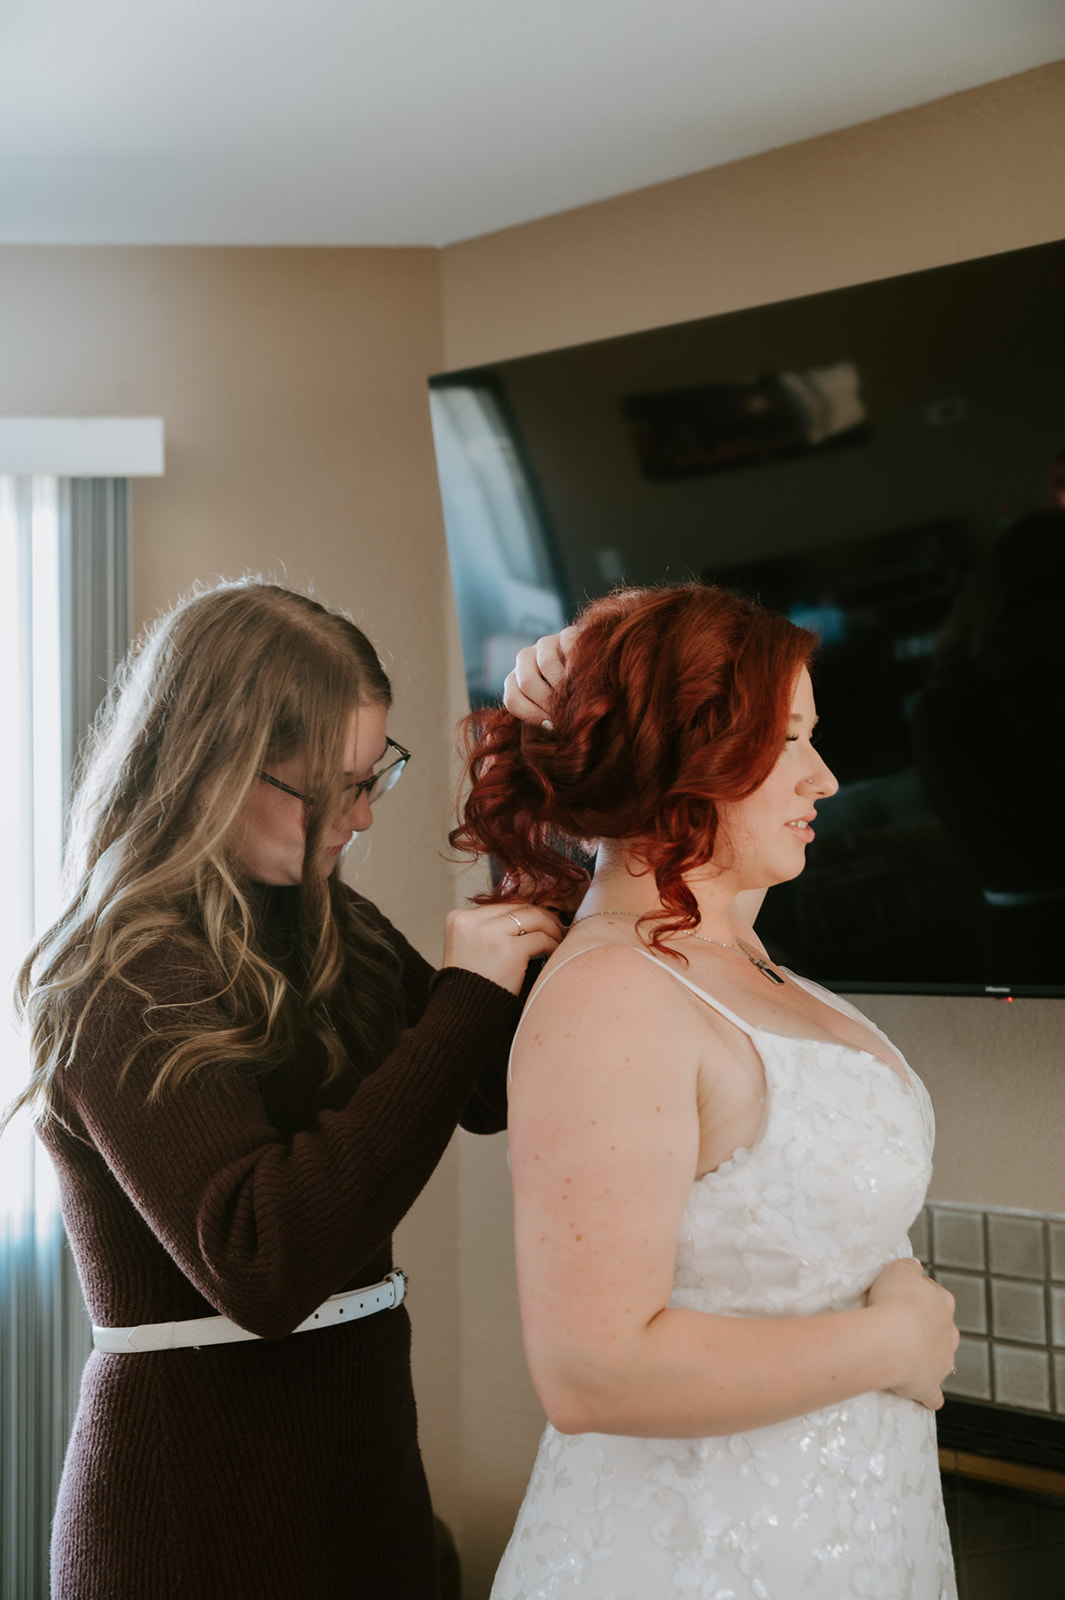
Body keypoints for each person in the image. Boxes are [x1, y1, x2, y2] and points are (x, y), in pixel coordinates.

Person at [6, 578, 563, 1600]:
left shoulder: (325, 920)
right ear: (209, 765)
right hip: (197, 1521)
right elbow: (262, 1258)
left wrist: (551, 823)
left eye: (372, 777)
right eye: (326, 789)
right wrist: (462, 998)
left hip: (360, 1487)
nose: (359, 816)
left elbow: (489, 1081)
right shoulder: (118, 972)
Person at [452, 582, 960, 1600]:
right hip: (697, 1562)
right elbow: (592, 1368)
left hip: (855, 1533)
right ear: (684, 759)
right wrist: (894, 1338)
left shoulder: (736, 956)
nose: (824, 777)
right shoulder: (609, 997)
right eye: (787, 742)